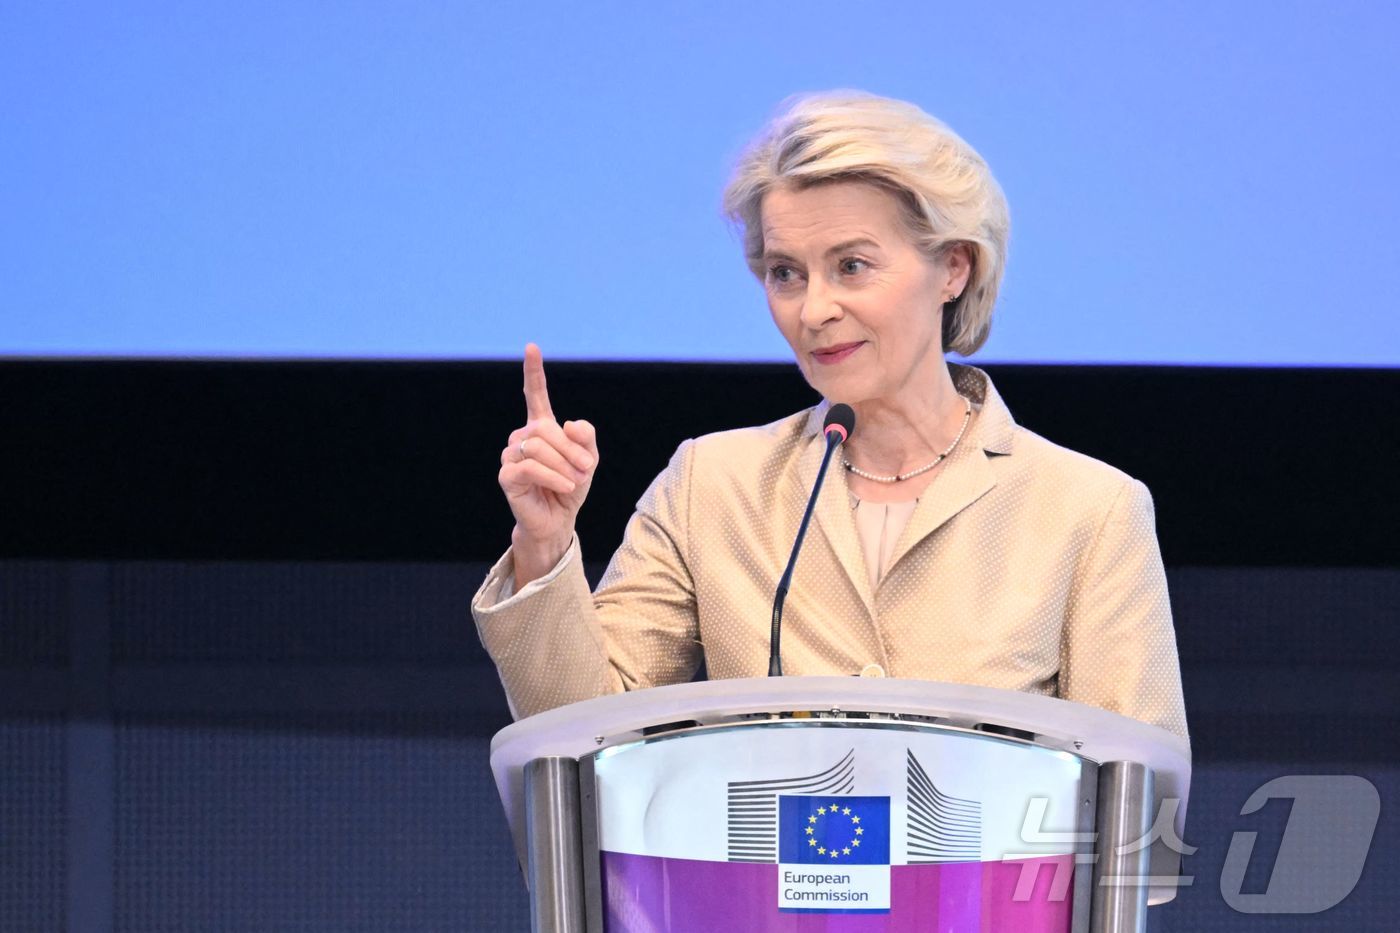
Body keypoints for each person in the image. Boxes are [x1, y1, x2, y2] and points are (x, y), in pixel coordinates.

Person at [472, 91, 1188, 742]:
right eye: (786, 273)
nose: (814, 310)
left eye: (851, 266)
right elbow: (581, 739)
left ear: (954, 267)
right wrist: (545, 545)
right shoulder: (711, 487)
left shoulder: (1088, 510)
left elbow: (1136, 799)